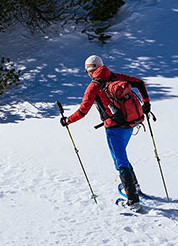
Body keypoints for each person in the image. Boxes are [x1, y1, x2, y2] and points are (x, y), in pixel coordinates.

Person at [61, 55, 151, 206]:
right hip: (130, 124)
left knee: (120, 161)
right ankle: (134, 186)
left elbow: (83, 111)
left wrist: (67, 120)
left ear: (90, 70)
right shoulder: (115, 76)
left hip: (113, 129)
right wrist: (146, 103)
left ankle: (133, 199)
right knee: (122, 156)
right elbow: (139, 83)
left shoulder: (93, 87)